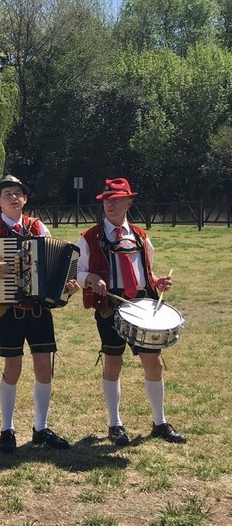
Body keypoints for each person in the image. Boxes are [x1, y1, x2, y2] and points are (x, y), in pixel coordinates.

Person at [0, 174, 77, 454]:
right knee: (12, 369)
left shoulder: (37, 226)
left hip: (39, 310)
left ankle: (41, 428)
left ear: (25, 199)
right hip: (10, 310)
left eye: (18, 193)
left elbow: (56, 261)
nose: (13, 198)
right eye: (7, 194)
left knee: (44, 368)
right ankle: (7, 428)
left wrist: (65, 285)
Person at [76, 177, 184, 446]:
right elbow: (76, 273)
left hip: (143, 306)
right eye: (107, 201)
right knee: (113, 362)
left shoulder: (141, 236)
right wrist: (91, 278)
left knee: (154, 363)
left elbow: (147, 272)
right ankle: (115, 424)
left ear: (129, 202)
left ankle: (160, 422)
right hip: (110, 306)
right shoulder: (89, 237)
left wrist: (158, 282)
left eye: (116, 200)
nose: (110, 205)